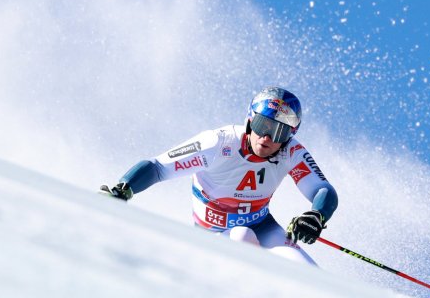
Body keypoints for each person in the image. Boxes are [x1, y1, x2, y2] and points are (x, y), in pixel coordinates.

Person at [101, 86, 338, 265]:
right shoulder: (219, 142)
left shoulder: (291, 152)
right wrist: (124, 189)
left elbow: (323, 191)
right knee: (242, 236)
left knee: (304, 268)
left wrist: (316, 215)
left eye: (278, 131)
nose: (266, 137)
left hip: (263, 227)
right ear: (248, 120)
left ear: (289, 135)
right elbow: (157, 167)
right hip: (211, 235)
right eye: (262, 125)